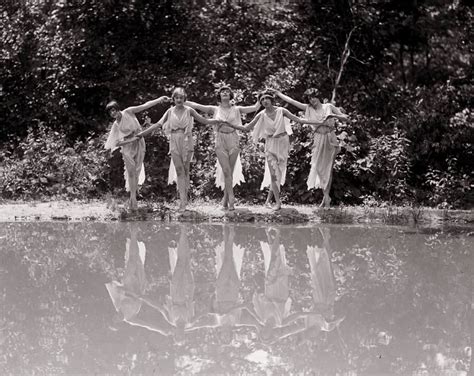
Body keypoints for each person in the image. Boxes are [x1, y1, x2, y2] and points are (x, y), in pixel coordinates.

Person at [225, 90, 331, 211]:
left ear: (271, 99)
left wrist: (320, 122)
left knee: (279, 173)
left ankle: (270, 200)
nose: (264, 101)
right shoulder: (261, 114)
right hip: (270, 144)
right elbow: (247, 127)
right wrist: (230, 125)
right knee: (274, 175)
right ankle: (278, 202)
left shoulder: (281, 111)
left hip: (283, 143)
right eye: (262, 100)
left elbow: (300, 120)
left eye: (267, 98)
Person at [135, 87, 225, 212]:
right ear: (173, 99)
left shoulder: (189, 110)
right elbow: (158, 124)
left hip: (187, 140)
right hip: (174, 140)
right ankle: (182, 201)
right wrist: (142, 134)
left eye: (181, 98)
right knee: (179, 170)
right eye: (176, 97)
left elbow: (203, 120)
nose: (179, 100)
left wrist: (217, 121)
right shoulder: (169, 111)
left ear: (184, 99)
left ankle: (184, 199)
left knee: (185, 170)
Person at [185, 85, 260, 211]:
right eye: (222, 92)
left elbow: (255, 107)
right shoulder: (214, 109)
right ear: (219, 95)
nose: (224, 93)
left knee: (229, 172)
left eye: (227, 92)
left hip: (233, 139)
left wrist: (260, 96)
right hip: (220, 139)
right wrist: (182, 99)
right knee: (226, 171)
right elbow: (197, 105)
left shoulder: (237, 109)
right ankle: (231, 200)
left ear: (230, 95)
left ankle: (225, 201)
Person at [272, 88, 349, 207]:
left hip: (330, 138)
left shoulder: (328, 106)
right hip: (318, 138)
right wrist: (278, 94)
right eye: (309, 98)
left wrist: (333, 115)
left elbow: (346, 117)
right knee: (318, 167)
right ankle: (326, 197)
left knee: (328, 169)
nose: (312, 100)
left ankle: (326, 198)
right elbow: (292, 101)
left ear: (318, 96)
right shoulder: (308, 108)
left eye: (313, 97)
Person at [104, 96, 169, 210]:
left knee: (137, 170)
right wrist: (130, 140)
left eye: (114, 110)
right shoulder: (116, 125)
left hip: (139, 142)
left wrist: (159, 100)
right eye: (110, 112)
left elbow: (145, 105)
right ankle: (132, 199)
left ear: (118, 109)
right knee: (131, 171)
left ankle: (135, 194)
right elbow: (115, 143)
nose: (113, 113)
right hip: (128, 146)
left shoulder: (128, 112)